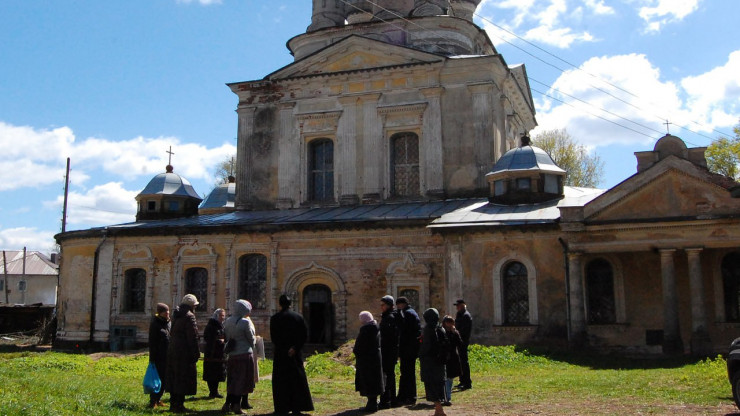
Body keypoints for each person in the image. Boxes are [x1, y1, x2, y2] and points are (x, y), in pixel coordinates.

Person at [270, 294, 314, 415]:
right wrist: (295, 348)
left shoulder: (275, 318)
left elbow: (274, 337)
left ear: (280, 304)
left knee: (281, 381)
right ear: (290, 304)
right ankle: (297, 407)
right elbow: (304, 335)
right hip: (294, 354)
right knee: (296, 380)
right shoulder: (298, 317)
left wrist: (283, 349)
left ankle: (281, 407)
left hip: (281, 354)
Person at [166, 294, 201, 413]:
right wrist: (196, 353)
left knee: (174, 376)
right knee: (182, 377)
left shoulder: (176, 314)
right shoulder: (189, 316)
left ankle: (173, 403)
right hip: (184, 352)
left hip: (173, 350)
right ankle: (179, 405)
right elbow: (193, 337)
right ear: (191, 306)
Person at [222, 300, 256, 415]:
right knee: (241, 380)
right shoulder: (245, 322)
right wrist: (254, 342)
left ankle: (227, 404)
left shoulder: (227, 321)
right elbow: (251, 339)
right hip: (244, 354)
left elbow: (226, 336)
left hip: (232, 354)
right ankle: (237, 405)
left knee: (232, 379)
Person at [353, 311, 384, 413]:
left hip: (366, 361)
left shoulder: (366, 330)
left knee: (368, 382)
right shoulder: (375, 328)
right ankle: (373, 403)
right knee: (374, 382)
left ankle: (371, 405)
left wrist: (357, 352)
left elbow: (359, 347)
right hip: (375, 359)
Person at [419, 308, 447, 416]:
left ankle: (439, 409)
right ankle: (438, 410)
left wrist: (420, 353)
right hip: (439, 362)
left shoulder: (429, 329)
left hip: (430, 362)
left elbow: (427, 346)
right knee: (438, 385)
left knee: (432, 386)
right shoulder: (440, 328)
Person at [395, 296, 421, 406]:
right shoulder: (412, 312)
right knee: (408, 373)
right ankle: (407, 395)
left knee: (406, 373)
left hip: (407, 348)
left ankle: (408, 396)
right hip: (412, 348)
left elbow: (404, 332)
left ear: (401, 304)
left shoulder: (406, 314)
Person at [378, 295, 400, 409]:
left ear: (389, 305)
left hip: (388, 350)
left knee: (388, 376)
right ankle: (391, 399)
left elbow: (389, 336)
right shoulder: (388, 316)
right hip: (388, 350)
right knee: (389, 375)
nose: (381, 307)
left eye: (383, 305)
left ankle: (387, 399)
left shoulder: (390, 317)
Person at [148, 303, 170, 408]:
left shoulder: (167, 323)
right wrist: (152, 358)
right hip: (158, 357)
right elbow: (152, 342)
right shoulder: (155, 324)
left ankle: (158, 399)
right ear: (160, 313)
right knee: (156, 379)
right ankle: (153, 401)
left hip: (167, 356)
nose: (167, 313)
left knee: (164, 379)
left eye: (168, 311)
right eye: (165, 312)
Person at [203, 308, 227, 399]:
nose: (223, 318)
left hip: (219, 352)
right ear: (216, 316)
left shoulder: (221, 325)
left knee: (218, 372)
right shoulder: (211, 325)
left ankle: (215, 391)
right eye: (221, 316)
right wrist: (217, 341)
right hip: (212, 352)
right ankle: (212, 391)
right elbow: (207, 338)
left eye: (224, 316)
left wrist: (224, 340)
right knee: (211, 372)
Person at [441, 315, 462, 406]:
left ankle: (447, 397)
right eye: (448, 322)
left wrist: (455, 333)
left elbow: (460, 344)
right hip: (445, 357)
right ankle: (446, 397)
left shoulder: (455, 333)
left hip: (453, 358)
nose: (449, 324)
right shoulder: (442, 332)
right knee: (446, 379)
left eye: (451, 322)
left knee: (450, 378)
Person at [454, 299, 472, 390]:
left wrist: (456, 333)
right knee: (460, 362)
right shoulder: (459, 315)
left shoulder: (466, 316)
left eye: (458, 305)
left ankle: (467, 382)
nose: (457, 307)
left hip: (463, 341)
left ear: (463, 305)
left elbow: (464, 330)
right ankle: (462, 381)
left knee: (464, 362)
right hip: (458, 340)